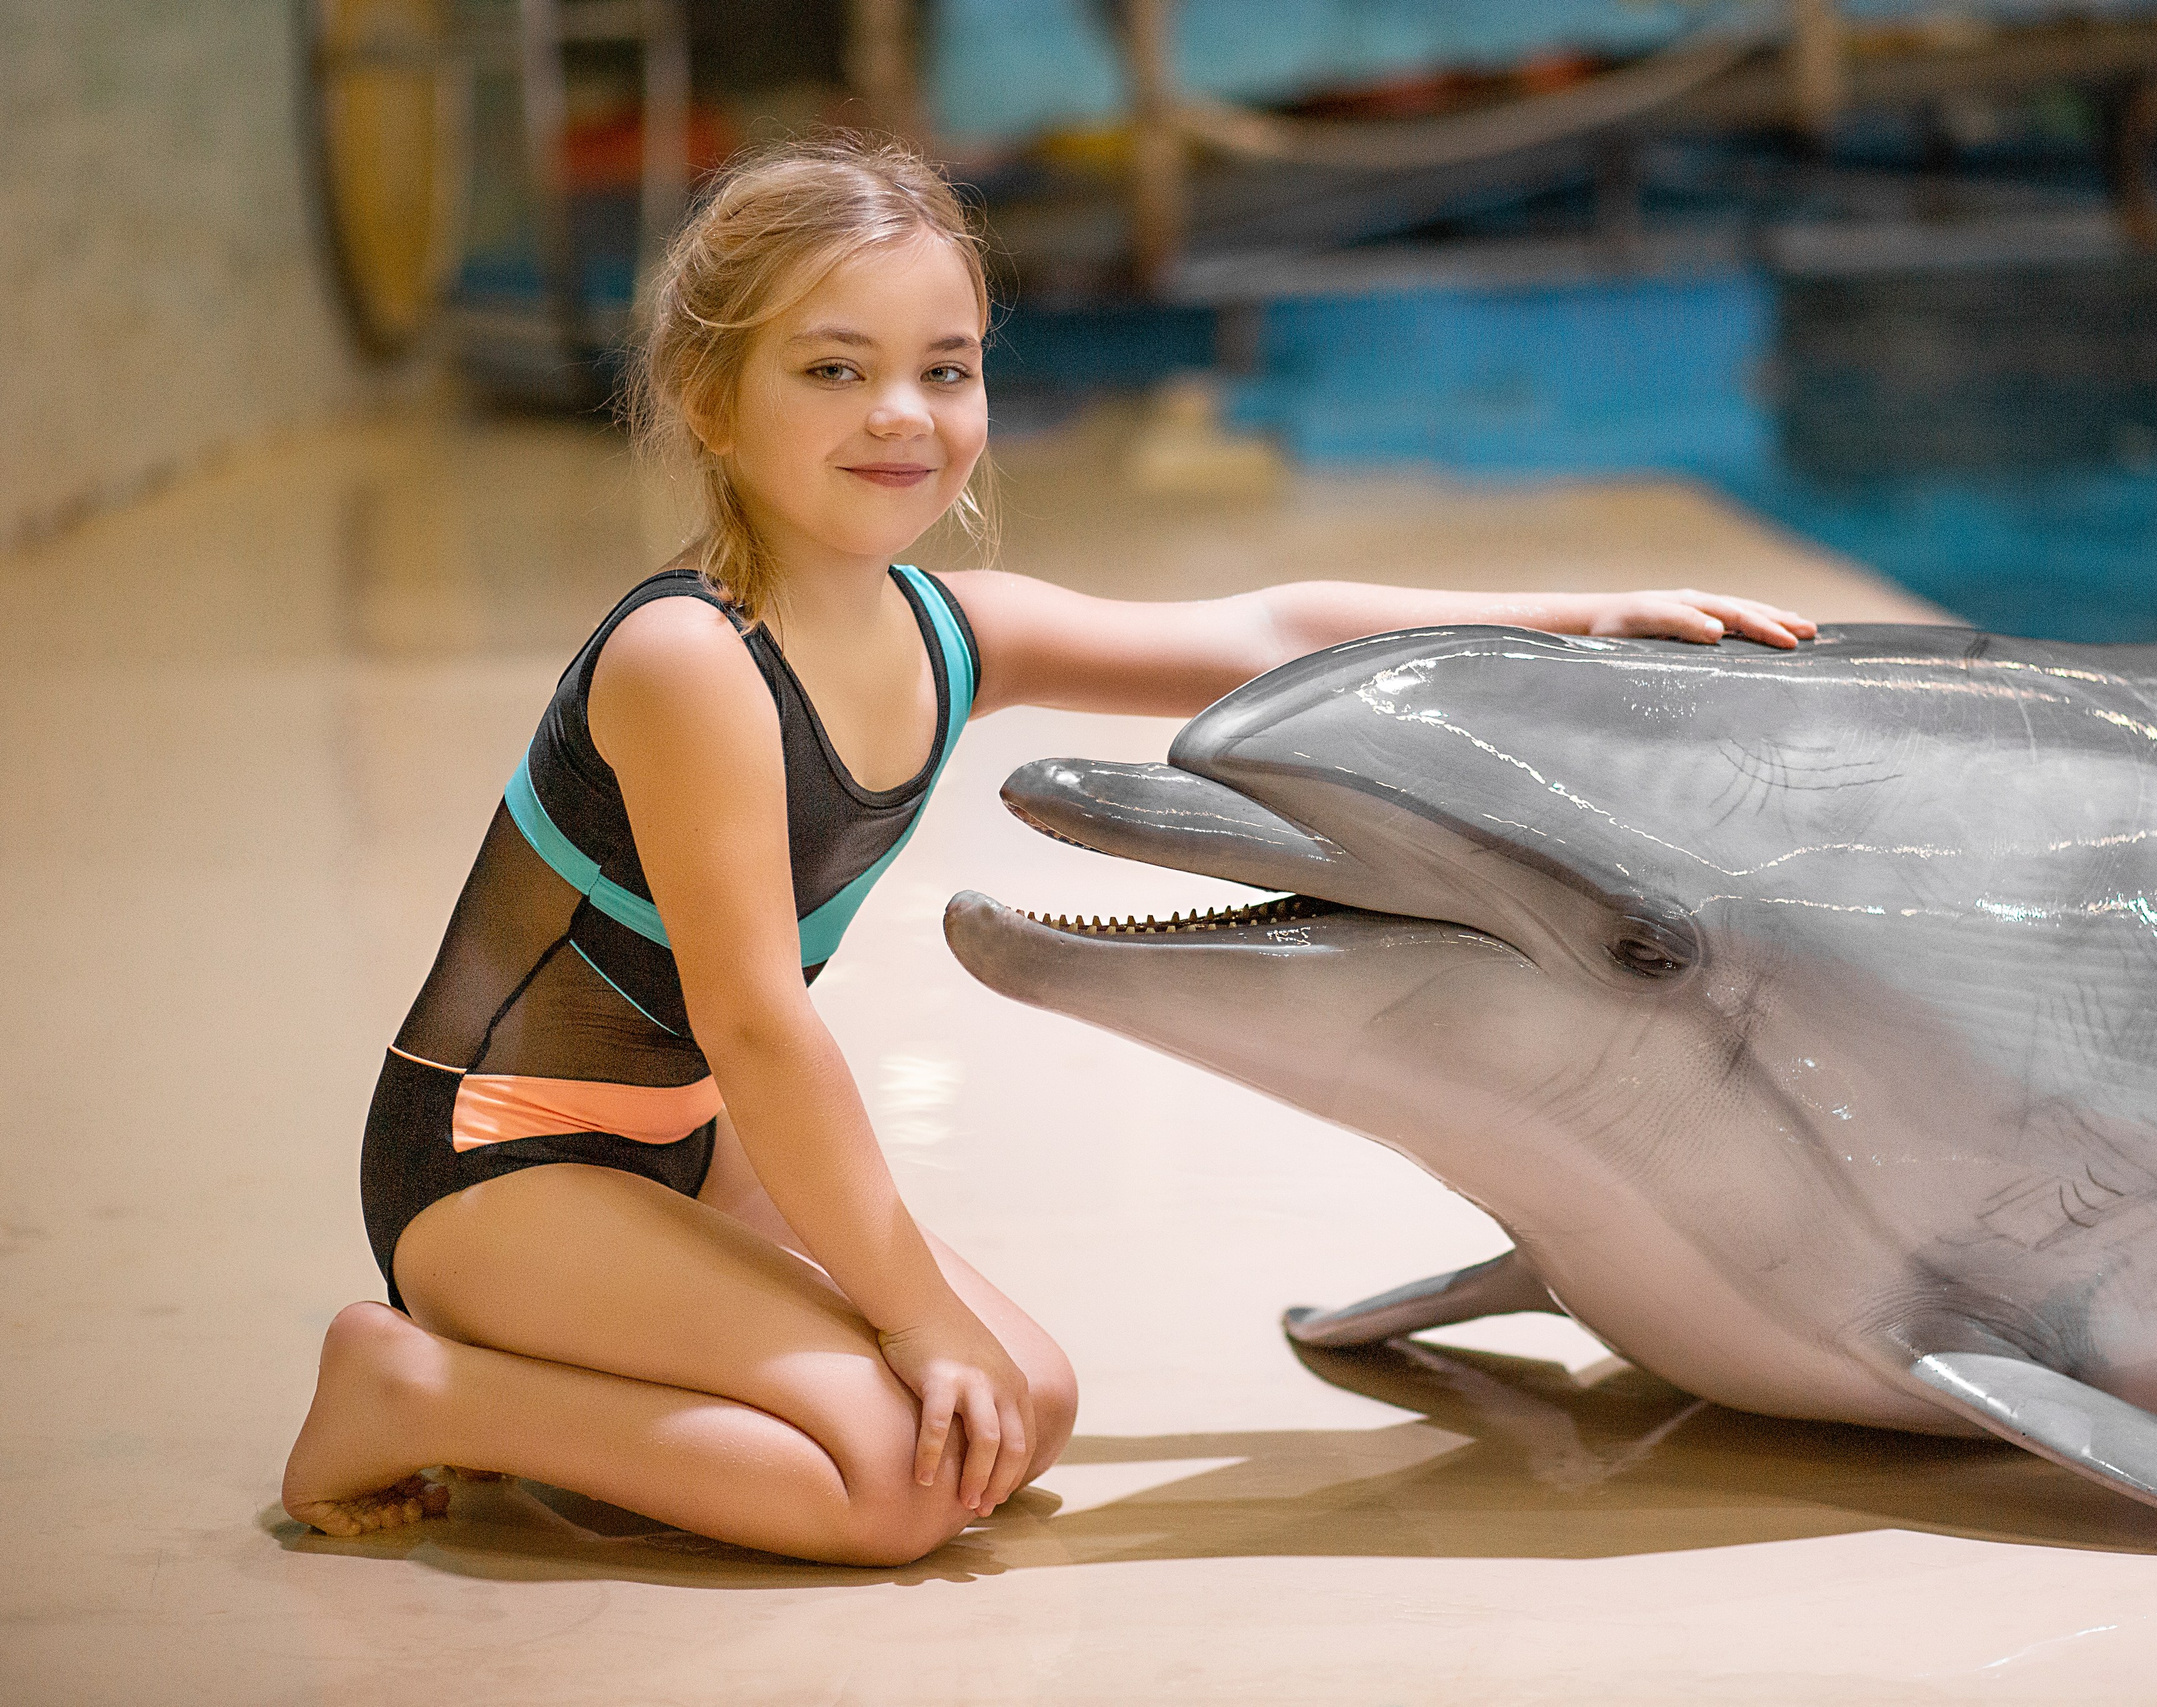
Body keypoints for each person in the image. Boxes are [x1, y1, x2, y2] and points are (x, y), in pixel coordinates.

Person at [280, 133, 1816, 1567]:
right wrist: (908, 1316)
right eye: (835, 370)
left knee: (1026, 1406)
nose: (904, 414)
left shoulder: (953, 633)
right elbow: (756, 1023)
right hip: (502, 1160)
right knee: (895, 1487)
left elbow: (1270, 630)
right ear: (708, 399)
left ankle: (555, 1367)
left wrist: (1579, 614)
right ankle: (416, 1388)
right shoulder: (690, 663)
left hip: (682, 1146)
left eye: (944, 371)